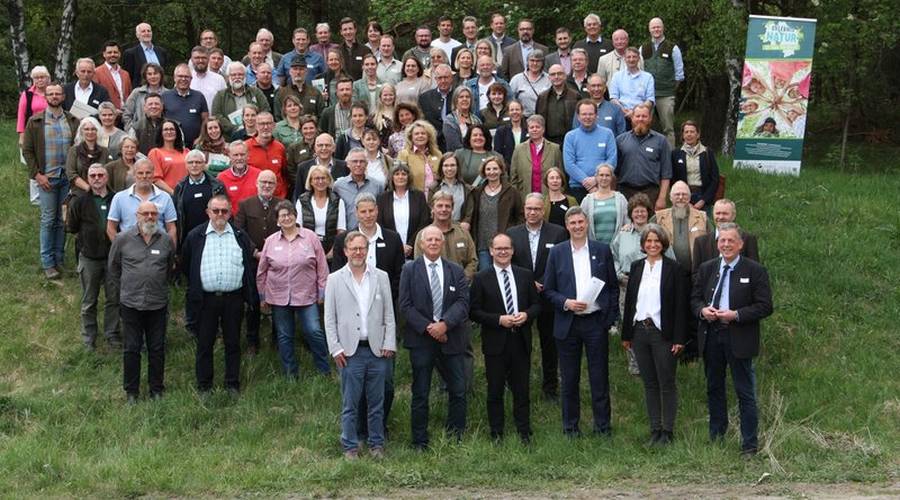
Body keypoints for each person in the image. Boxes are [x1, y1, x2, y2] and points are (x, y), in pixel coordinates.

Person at [691, 223, 773, 458]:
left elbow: (765, 306)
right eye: (722, 241)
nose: (726, 245)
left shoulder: (755, 270)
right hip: (712, 334)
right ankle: (717, 436)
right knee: (714, 388)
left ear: (740, 244)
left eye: (730, 241)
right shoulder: (708, 269)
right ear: (717, 244)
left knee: (744, 391)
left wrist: (736, 315)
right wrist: (702, 311)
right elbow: (695, 298)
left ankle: (749, 445)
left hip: (739, 335)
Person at [543, 206, 618, 437]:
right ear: (567, 226)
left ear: (587, 224)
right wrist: (566, 302)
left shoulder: (601, 250)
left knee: (599, 377)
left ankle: (602, 428)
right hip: (568, 323)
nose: (577, 226)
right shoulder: (557, 253)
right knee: (569, 379)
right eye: (572, 223)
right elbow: (548, 290)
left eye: (580, 222)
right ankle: (571, 428)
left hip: (595, 323)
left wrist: (608, 319)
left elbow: (612, 287)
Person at [324, 230, 397, 460]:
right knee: (351, 403)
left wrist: (389, 343)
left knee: (377, 402)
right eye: (353, 248)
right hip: (349, 352)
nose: (358, 252)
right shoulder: (334, 279)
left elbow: (389, 314)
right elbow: (329, 318)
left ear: (368, 250)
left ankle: (377, 445)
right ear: (345, 251)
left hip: (377, 350)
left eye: (362, 248)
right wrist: (335, 348)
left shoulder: (381, 277)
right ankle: (350, 446)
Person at [399, 225, 471, 449]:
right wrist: (430, 328)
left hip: (451, 338)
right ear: (421, 244)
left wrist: (444, 325)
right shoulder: (410, 270)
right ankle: (419, 441)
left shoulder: (455, 270)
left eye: (436, 240)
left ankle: (455, 436)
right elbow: (405, 305)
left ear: (442, 243)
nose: (432, 243)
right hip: (421, 340)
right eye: (428, 239)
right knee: (421, 392)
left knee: (458, 390)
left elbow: (463, 303)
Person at [621, 224, 688, 445]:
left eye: (656, 241)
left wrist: (679, 338)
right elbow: (630, 302)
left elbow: (680, 306)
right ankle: (655, 430)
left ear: (663, 244)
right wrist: (626, 334)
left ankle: (668, 431)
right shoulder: (637, 266)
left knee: (666, 382)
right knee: (649, 383)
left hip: (663, 332)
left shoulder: (674, 269)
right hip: (639, 331)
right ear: (643, 245)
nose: (652, 245)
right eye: (648, 241)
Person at [470, 233, 541, 442]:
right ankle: (496, 433)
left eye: (506, 248)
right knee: (495, 390)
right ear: (491, 251)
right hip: (495, 342)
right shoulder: (482, 277)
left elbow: (537, 305)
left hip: (520, 340)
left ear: (512, 251)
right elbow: (473, 311)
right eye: (498, 249)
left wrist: (527, 315)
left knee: (522, 390)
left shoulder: (525, 275)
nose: (502, 252)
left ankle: (524, 432)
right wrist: (498, 319)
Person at [182, 195, 256, 394]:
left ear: (230, 212)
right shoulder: (196, 236)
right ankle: (204, 386)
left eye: (224, 211)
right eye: (216, 211)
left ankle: (232, 383)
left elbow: (248, 264)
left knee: (233, 343)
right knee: (205, 343)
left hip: (234, 299)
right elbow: (186, 265)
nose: (220, 215)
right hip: (206, 300)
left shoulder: (240, 236)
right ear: (208, 212)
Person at [108, 200, 174, 404]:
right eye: (145, 213)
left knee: (157, 348)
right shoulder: (122, 239)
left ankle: (156, 389)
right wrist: (127, 288)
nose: (150, 217)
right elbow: (113, 267)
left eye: (154, 214)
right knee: (131, 348)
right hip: (131, 303)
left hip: (157, 303)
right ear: (137, 215)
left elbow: (169, 266)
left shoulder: (165, 240)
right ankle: (131, 392)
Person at [257, 200, 332, 377]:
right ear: (277, 221)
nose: (287, 217)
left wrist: (323, 291)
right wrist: (262, 297)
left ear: (296, 216)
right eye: (282, 215)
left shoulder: (310, 237)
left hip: (307, 295)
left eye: (289, 214)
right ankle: (291, 374)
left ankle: (324, 370)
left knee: (314, 331)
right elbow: (262, 271)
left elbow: (322, 266)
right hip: (278, 296)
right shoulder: (270, 241)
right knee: (284, 336)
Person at [507, 193, 568, 399]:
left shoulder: (558, 233)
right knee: (520, 344)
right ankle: (517, 384)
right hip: (522, 297)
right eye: (528, 208)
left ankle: (550, 387)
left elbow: (561, 263)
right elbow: (509, 263)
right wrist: (528, 283)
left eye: (536, 209)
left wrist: (543, 281)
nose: (532, 212)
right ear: (524, 209)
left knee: (549, 344)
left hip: (548, 295)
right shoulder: (512, 234)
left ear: (543, 210)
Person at [22, 82, 79, 279]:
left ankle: (59, 259)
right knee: (47, 220)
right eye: (51, 94)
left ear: (63, 97)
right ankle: (48, 263)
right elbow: (27, 151)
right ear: (45, 97)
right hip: (47, 178)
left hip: (66, 180)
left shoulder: (72, 120)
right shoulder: (35, 121)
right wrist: (37, 175)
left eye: (58, 94)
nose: (54, 96)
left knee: (62, 220)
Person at [610, 193, 671, 374]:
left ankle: (655, 360)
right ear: (631, 214)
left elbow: (669, 258)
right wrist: (618, 273)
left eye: (643, 211)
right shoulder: (623, 234)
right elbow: (612, 256)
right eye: (636, 212)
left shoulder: (656, 234)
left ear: (648, 212)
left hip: (652, 286)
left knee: (651, 323)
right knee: (630, 323)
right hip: (626, 284)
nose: (639, 215)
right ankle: (635, 364)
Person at [66, 164, 120, 350]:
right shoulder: (79, 202)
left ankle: (112, 334)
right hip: (89, 257)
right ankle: (89, 337)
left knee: (114, 299)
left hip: (113, 257)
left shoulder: (117, 199)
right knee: (89, 301)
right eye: (92, 175)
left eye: (100, 175)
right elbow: (72, 227)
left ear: (106, 177)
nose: (97, 178)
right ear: (88, 179)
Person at [233, 170, 282, 354]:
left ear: (275, 185)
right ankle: (252, 341)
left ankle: (278, 340)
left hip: (278, 262)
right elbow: (239, 231)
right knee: (253, 302)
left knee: (279, 303)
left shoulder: (281, 204)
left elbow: (287, 228)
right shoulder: (245, 205)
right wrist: (254, 251)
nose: (267, 185)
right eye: (263, 182)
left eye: (271, 182)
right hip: (254, 262)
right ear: (257, 183)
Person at [461, 156, 524, 270]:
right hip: (483, 245)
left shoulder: (512, 192)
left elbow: (520, 216)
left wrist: (513, 235)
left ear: (501, 170)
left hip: (504, 244)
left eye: (495, 169)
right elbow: (470, 214)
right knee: (486, 277)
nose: (492, 172)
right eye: (488, 169)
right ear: (484, 172)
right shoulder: (476, 192)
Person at [106, 158, 178, 246]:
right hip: (130, 251)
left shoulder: (165, 197)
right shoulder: (119, 198)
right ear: (134, 175)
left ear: (153, 174)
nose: (144, 176)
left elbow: (171, 228)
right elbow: (110, 228)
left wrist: (170, 251)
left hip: (158, 250)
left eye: (148, 173)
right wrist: (121, 248)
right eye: (140, 173)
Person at [615, 103, 672, 210]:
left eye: (644, 116)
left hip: (651, 192)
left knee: (651, 226)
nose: (640, 119)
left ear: (650, 119)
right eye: (637, 116)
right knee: (626, 225)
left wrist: (662, 198)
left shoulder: (661, 141)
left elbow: (666, 173)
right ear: (632, 118)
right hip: (625, 192)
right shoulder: (620, 140)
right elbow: (615, 172)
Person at [413, 191, 477, 281]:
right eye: (440, 206)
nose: (444, 209)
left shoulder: (463, 233)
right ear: (432, 208)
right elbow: (419, 264)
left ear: (452, 209)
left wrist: (462, 279)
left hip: (461, 285)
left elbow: (473, 261)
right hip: (435, 287)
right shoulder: (423, 235)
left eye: (447, 206)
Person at [563, 99, 618, 202]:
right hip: (577, 187)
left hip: (603, 186)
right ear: (578, 117)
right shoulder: (570, 136)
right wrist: (587, 182)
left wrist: (596, 179)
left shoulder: (607, 134)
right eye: (584, 114)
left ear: (596, 115)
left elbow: (612, 160)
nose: (587, 117)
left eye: (590, 114)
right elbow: (569, 164)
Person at [172, 149, 226, 252]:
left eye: (198, 162)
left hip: (212, 237)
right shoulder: (180, 187)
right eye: (191, 162)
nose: (194, 165)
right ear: (186, 165)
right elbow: (176, 216)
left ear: (204, 164)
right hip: (187, 238)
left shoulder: (217, 185)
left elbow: (224, 210)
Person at [641, 18, 684, 146]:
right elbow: (640, 70)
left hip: (666, 94)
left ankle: (670, 158)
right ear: (649, 29)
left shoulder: (673, 48)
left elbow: (679, 74)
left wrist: (670, 89)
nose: (656, 30)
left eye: (658, 27)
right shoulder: (643, 48)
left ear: (663, 28)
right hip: (647, 96)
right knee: (644, 126)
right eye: (653, 27)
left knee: (668, 129)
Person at [376, 162, 431, 259]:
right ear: (391, 177)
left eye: (404, 174)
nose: (400, 177)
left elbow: (424, 222)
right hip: (391, 250)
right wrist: (397, 245)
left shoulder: (419, 196)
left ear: (408, 177)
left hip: (415, 250)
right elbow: (380, 224)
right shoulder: (382, 199)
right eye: (397, 174)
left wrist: (410, 244)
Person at [651, 181, 708, 272]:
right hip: (667, 272)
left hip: (696, 272)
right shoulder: (658, 218)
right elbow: (643, 235)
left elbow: (714, 240)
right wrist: (630, 226)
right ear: (670, 197)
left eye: (684, 194)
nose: (681, 197)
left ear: (689, 198)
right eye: (677, 194)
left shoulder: (702, 218)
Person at [692, 199, 760, 273]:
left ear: (733, 216)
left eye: (725, 214)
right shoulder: (701, 242)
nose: (721, 217)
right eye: (718, 213)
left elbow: (755, 270)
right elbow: (696, 273)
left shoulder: (747, 239)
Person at [296, 164, 346, 261]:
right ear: (310, 181)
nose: (320, 181)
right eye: (316, 178)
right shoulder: (302, 201)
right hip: (307, 248)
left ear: (329, 180)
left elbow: (341, 230)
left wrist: (332, 252)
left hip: (331, 248)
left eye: (323, 178)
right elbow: (298, 228)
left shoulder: (337, 201)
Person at [212, 62, 271, 140]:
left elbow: (266, 110)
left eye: (240, 74)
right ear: (228, 77)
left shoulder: (256, 92)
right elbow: (217, 115)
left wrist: (255, 125)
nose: (237, 77)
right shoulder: (221, 95)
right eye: (233, 75)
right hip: (229, 138)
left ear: (245, 76)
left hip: (256, 137)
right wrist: (234, 129)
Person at [510, 114, 562, 200]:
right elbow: (513, 177)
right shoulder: (519, 149)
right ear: (528, 130)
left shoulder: (555, 149)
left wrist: (557, 196)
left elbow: (561, 175)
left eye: (537, 127)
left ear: (543, 129)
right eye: (531, 127)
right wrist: (517, 197)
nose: (534, 129)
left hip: (549, 198)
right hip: (525, 197)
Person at [673, 121, 719, 214]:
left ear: (698, 134)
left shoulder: (707, 153)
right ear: (682, 135)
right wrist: (685, 201)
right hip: (683, 198)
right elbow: (673, 179)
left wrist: (703, 200)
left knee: (705, 227)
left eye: (692, 132)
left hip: (703, 197)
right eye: (686, 132)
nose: (689, 134)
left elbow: (715, 179)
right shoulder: (676, 154)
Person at [333, 148, 385, 229]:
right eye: (354, 161)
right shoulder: (338, 186)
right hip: (347, 234)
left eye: (362, 161)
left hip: (370, 232)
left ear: (367, 164)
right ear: (348, 164)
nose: (358, 164)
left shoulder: (377, 185)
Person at [580, 164, 629, 244]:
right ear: (596, 177)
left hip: (616, 247)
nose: (604, 178)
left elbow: (628, 221)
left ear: (612, 178)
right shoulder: (587, 200)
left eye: (607, 175)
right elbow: (582, 224)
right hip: (595, 247)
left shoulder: (621, 199)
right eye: (601, 175)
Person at [162, 64, 208, 147]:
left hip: (195, 145)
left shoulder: (199, 96)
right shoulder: (165, 96)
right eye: (180, 76)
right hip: (172, 144)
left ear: (191, 79)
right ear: (174, 78)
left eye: (187, 77)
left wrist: (201, 138)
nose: (183, 79)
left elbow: (205, 119)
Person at [244, 111, 287, 198]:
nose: (266, 127)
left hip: (277, 199)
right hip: (254, 199)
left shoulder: (280, 147)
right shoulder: (245, 147)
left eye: (269, 123)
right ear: (256, 126)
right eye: (262, 124)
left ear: (274, 125)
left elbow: (284, 174)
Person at [293, 133, 349, 198]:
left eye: (327, 145)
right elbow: (298, 195)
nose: (324, 148)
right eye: (320, 145)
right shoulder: (303, 168)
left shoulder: (344, 166)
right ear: (315, 148)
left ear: (334, 148)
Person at [536, 64, 580, 145]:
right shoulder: (542, 97)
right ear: (549, 78)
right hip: (548, 142)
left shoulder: (575, 96)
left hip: (570, 141)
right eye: (553, 74)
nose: (556, 77)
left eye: (559, 73)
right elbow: (538, 120)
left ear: (565, 76)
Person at [66, 117, 111, 196]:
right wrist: (89, 189)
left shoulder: (105, 151)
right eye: (86, 129)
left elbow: (108, 172)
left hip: (101, 193)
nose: (90, 132)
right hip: (79, 194)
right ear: (81, 131)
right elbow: (71, 174)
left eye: (93, 129)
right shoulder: (73, 150)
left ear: (98, 131)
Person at [609, 47, 655, 125]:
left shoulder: (648, 77)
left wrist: (635, 112)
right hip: (621, 114)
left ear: (639, 58)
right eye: (628, 57)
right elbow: (613, 98)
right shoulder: (617, 76)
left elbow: (650, 100)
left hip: (641, 115)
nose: (631, 59)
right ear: (624, 59)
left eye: (634, 57)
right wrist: (624, 111)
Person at [574, 74, 626, 138]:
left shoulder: (615, 109)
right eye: (593, 86)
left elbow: (622, 135)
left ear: (604, 88)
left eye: (599, 85)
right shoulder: (580, 108)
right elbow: (575, 132)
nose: (596, 89)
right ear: (588, 88)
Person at [397, 120, 442, 193]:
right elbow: (399, 178)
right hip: (415, 198)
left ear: (428, 136)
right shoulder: (404, 155)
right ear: (411, 137)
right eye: (416, 134)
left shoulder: (438, 154)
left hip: (436, 199)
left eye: (423, 133)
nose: (420, 136)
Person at [217, 141, 262, 213]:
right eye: (235, 155)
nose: (239, 158)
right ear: (230, 156)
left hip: (254, 219)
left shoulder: (259, 175)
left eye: (242, 154)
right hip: (232, 220)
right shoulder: (221, 178)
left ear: (248, 155)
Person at [148, 119, 189, 195]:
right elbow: (156, 180)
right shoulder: (155, 153)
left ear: (177, 132)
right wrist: (174, 193)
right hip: (167, 196)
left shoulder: (186, 152)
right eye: (165, 130)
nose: (169, 132)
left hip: (187, 194)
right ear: (161, 133)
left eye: (172, 129)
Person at [122, 22, 169, 89]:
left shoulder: (162, 51)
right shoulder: (130, 54)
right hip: (141, 92)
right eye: (143, 31)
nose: (147, 33)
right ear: (137, 35)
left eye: (148, 31)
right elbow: (128, 77)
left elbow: (164, 72)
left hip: (161, 90)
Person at [418, 64, 454, 150]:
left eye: (446, 77)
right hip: (433, 142)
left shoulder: (458, 95)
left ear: (451, 78)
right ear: (435, 79)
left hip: (454, 140)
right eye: (440, 78)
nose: (443, 80)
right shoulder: (425, 98)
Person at [122, 63, 167, 131]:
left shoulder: (168, 94)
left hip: (162, 133)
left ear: (161, 75)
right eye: (149, 74)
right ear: (145, 76)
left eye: (155, 73)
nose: (153, 76)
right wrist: (132, 130)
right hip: (139, 133)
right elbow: (126, 113)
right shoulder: (137, 93)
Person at [16, 65, 51, 148]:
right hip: (32, 131)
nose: (39, 80)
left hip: (51, 130)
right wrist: (21, 135)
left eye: (42, 77)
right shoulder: (27, 94)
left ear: (47, 78)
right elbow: (21, 115)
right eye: (36, 78)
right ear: (33, 80)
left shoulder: (53, 92)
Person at [93, 41, 132, 114]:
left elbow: (129, 95)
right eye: (109, 52)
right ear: (104, 54)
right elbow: (95, 96)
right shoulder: (97, 72)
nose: (112, 55)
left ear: (119, 54)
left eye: (115, 52)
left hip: (125, 115)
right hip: (108, 116)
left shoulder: (125, 74)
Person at [508, 50, 550, 116]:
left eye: (538, 61)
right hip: (523, 119)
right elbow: (510, 100)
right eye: (532, 60)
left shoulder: (549, 79)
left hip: (544, 118)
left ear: (543, 63)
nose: (535, 63)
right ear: (527, 62)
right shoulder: (516, 79)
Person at [434, 152, 472, 222]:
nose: (449, 169)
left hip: (460, 228)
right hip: (439, 227)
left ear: (457, 167)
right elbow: (431, 210)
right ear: (441, 168)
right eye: (446, 165)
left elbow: (469, 213)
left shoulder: (467, 189)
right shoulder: (433, 188)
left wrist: (466, 222)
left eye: (452, 165)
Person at [285, 116, 320, 190]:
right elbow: (290, 170)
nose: (308, 131)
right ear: (300, 130)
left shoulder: (322, 145)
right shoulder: (294, 148)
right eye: (305, 128)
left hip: (320, 184)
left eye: (311, 128)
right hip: (300, 186)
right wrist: (301, 182)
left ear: (316, 129)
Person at [443, 86, 482, 153]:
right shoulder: (450, 120)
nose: (465, 99)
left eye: (467, 97)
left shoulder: (477, 120)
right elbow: (454, 146)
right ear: (455, 100)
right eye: (461, 97)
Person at [189, 46, 227, 112]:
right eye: (197, 58)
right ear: (192, 59)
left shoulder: (219, 79)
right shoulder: (185, 79)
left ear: (208, 59)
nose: (200, 60)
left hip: (213, 120)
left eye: (204, 58)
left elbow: (225, 103)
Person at [492, 100, 527, 166]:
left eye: (517, 109)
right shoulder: (501, 131)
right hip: (507, 169)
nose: (514, 112)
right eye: (512, 110)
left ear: (522, 111)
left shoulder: (529, 130)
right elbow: (498, 153)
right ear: (508, 112)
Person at [371, 84, 397, 150]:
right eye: (385, 95)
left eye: (391, 95)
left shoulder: (399, 114)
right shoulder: (374, 116)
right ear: (380, 97)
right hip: (380, 151)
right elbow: (371, 136)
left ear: (395, 96)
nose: (388, 97)